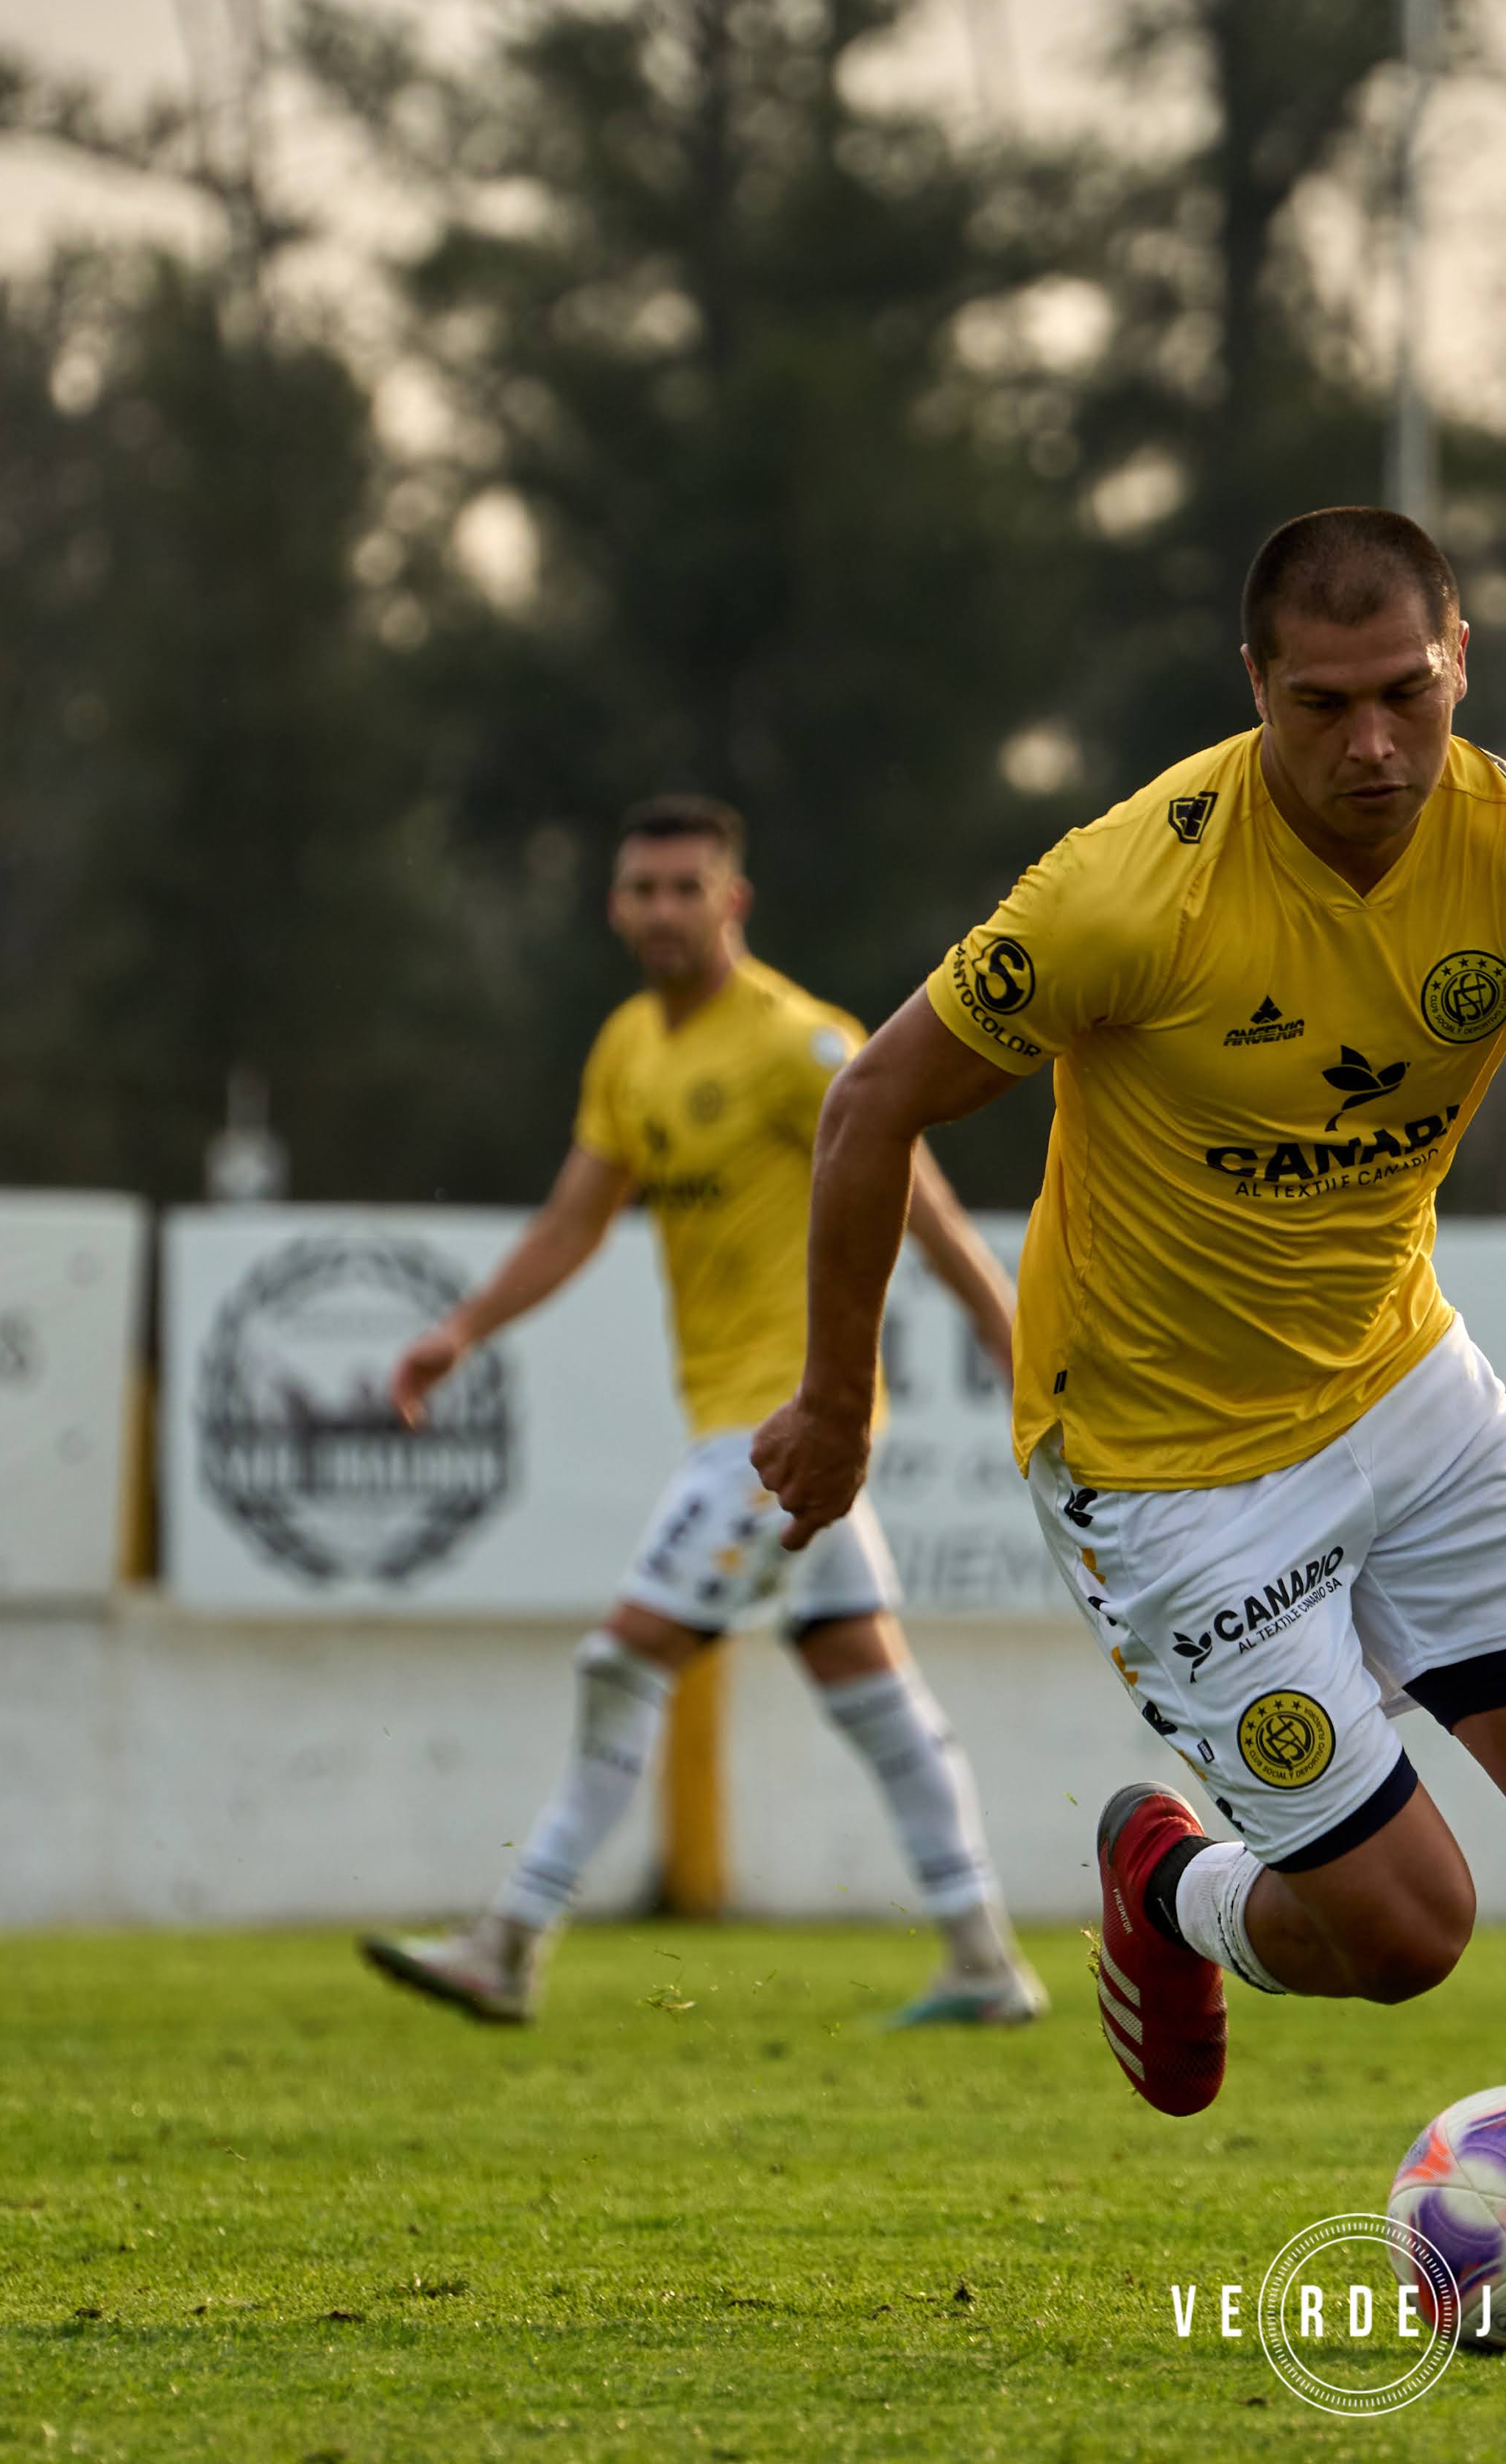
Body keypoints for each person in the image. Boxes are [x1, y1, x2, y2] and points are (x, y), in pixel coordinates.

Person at [749, 506, 1506, 2326]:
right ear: (1253, 685)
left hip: (1402, 1386)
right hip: (1166, 1468)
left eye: (1405, 693)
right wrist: (837, 1406)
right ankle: (1168, 1885)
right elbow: (869, 1104)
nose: (1371, 746)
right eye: (1322, 704)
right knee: (1405, 1937)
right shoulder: (1125, 887)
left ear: (1459, 659)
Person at [359, 795, 1042, 2031]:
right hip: (735, 1425)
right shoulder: (631, 1046)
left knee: (621, 1660)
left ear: (732, 901)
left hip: (785, 1429)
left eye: (688, 888)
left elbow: (923, 1203)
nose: (664, 910)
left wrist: (1006, 1334)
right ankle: (984, 1962)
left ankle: (510, 1941)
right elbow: (575, 1219)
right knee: (876, 1699)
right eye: (642, 889)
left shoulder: (797, 1041)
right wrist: (459, 1330)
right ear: (617, 907)